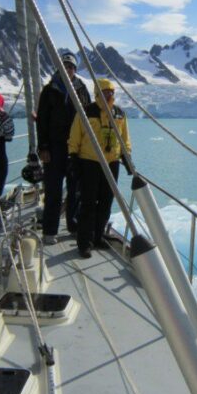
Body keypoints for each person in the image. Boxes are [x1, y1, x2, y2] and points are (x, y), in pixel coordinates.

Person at [68, 78, 130, 259]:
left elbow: (125, 138)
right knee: (88, 203)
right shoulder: (86, 112)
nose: (109, 95)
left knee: (106, 202)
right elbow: (75, 135)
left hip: (112, 163)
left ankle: (97, 236)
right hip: (90, 162)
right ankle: (84, 243)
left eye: (111, 92)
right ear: (97, 93)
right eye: (105, 91)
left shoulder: (119, 114)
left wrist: (126, 156)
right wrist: (73, 156)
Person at [36, 52, 90, 244]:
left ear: (75, 69)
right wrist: (43, 147)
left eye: (71, 66)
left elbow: (88, 117)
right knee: (53, 189)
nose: (67, 69)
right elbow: (42, 120)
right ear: (59, 68)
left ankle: (73, 226)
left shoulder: (81, 89)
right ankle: (50, 231)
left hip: (75, 146)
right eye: (64, 66)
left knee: (75, 189)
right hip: (54, 146)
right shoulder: (49, 90)